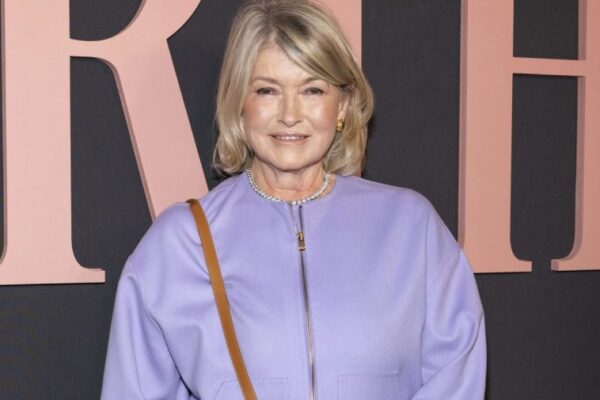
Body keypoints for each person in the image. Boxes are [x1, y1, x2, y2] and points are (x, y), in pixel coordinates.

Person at [100, 0, 487, 399]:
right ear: (239, 104)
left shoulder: (410, 228)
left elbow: (455, 377)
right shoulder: (182, 243)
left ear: (343, 105)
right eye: (267, 90)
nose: (290, 114)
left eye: (312, 90)